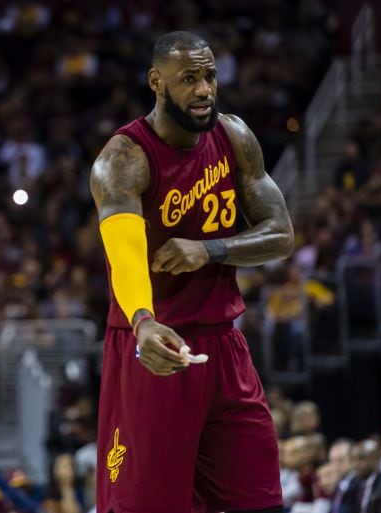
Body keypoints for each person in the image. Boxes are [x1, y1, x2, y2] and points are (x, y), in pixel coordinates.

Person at [89, 31, 294, 513]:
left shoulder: (234, 136)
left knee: (261, 501)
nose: (204, 90)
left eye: (209, 77)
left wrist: (212, 249)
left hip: (224, 345)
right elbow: (125, 256)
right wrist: (142, 320)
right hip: (153, 348)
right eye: (189, 79)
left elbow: (281, 234)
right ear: (156, 83)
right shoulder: (123, 160)